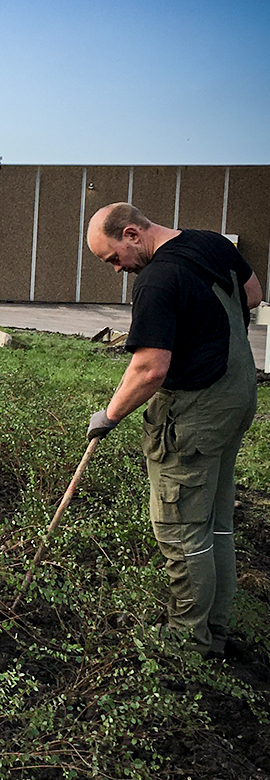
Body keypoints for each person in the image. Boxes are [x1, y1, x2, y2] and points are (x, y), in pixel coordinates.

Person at [85, 202, 262, 656]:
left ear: (131, 233)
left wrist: (108, 416)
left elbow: (149, 369)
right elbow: (254, 294)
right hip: (236, 397)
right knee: (216, 525)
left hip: (196, 415)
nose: (118, 269)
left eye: (113, 258)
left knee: (182, 528)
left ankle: (189, 639)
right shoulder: (210, 243)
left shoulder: (158, 279)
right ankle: (216, 627)